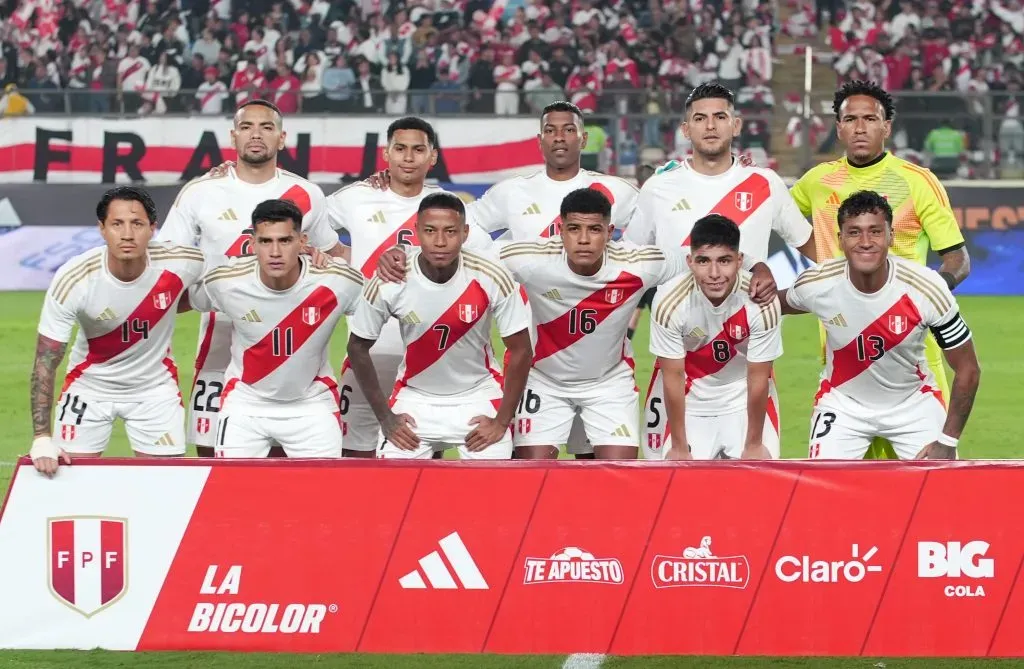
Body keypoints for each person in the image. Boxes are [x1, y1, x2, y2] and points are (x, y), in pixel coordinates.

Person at [375, 101, 640, 459]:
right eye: (550, 130)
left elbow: (652, 239)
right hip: (537, 357)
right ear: (539, 139)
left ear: (583, 137)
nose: (559, 137)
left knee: (597, 465)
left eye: (568, 130)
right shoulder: (511, 192)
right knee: (528, 471)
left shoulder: (618, 191)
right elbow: (453, 227)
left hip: (600, 354)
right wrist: (399, 243)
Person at [625, 82, 812, 458]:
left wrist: (785, 289)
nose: (710, 126)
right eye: (700, 118)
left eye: (720, 117)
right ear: (685, 129)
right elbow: (632, 265)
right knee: (670, 498)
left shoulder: (765, 184)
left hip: (746, 364)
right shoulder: (658, 188)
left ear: (736, 125)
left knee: (753, 495)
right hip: (677, 359)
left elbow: (814, 252)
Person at [790, 80, 972, 460]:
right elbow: (776, 216)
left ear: (886, 126)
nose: (860, 128)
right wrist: (817, 253)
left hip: (913, 352)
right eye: (850, 119)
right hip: (842, 344)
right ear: (838, 127)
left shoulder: (918, 181)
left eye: (870, 119)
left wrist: (924, 298)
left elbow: (958, 260)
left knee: (928, 480)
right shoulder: (817, 181)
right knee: (846, 489)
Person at [157, 99, 346, 458]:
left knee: (286, 454)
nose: (256, 134)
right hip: (219, 339)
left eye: (266, 127)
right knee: (212, 451)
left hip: (291, 341)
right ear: (233, 136)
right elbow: (169, 261)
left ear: (282, 138)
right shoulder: (201, 192)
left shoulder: (307, 194)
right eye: (247, 127)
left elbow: (331, 255)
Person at [326, 116, 495, 458]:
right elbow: (305, 231)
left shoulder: (449, 208)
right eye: (400, 149)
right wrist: (332, 255)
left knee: (420, 456)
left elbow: (486, 267)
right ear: (386, 154)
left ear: (432, 157)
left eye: (418, 150)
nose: (408, 157)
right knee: (354, 456)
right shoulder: (355, 198)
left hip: (431, 361)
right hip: (367, 352)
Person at [780, 191, 980, 460]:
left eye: (875, 231)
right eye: (854, 232)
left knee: (943, 491)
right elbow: (768, 305)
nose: (865, 242)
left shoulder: (926, 287)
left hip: (913, 404)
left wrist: (947, 441)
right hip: (843, 405)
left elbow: (968, 368)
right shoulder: (817, 284)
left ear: (891, 237)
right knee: (823, 493)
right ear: (840, 239)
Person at [499, 188, 688, 461]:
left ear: (610, 232)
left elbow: (700, 258)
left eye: (595, 230)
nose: (584, 240)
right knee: (530, 475)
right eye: (574, 229)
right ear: (560, 230)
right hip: (544, 381)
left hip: (609, 384)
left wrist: (756, 269)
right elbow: (470, 259)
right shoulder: (530, 260)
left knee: (617, 478)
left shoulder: (639, 265)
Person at [29, 187, 205, 476]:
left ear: (152, 229)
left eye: (137, 224)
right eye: (116, 224)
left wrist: (304, 257)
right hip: (89, 389)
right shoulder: (75, 279)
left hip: (155, 391)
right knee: (73, 481)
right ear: (101, 229)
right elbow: (45, 361)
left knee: (166, 486)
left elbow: (237, 273)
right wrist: (41, 438)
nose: (127, 234)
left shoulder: (184, 262)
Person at [347, 193, 531, 459]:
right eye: (430, 231)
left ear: (465, 233)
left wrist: (502, 421)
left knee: (494, 494)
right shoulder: (392, 279)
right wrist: (386, 417)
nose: (440, 242)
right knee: (394, 493)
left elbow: (521, 349)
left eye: (451, 232)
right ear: (416, 232)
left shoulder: (490, 275)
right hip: (415, 398)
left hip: (478, 396)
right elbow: (357, 347)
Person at [185, 199, 364, 458]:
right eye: (266, 241)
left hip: (312, 404)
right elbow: (178, 300)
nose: (275, 252)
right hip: (245, 404)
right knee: (232, 492)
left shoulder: (338, 280)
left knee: (321, 495)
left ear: (303, 242)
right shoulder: (226, 282)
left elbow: (383, 306)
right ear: (252, 244)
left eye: (285, 241)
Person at [648, 214, 783, 460]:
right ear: (689, 261)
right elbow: (673, 376)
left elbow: (759, 377)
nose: (714, 273)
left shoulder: (761, 302)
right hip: (689, 402)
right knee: (677, 489)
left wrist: (753, 445)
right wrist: (679, 447)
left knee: (757, 485)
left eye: (724, 261)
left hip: (743, 399)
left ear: (740, 261)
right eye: (703, 261)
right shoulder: (669, 302)